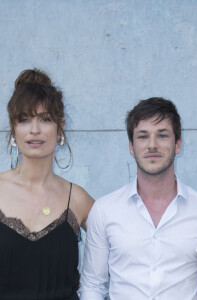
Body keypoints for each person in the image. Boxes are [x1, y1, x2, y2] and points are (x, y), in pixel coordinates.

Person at [80, 97, 197, 300]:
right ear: (131, 146)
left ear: (178, 144)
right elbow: (92, 285)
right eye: (143, 137)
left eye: (162, 136)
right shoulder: (105, 210)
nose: (152, 145)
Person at [0, 69, 94, 300]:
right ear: (14, 129)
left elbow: (125, 252)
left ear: (60, 127)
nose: (34, 130)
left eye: (45, 119)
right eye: (24, 119)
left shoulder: (79, 199)